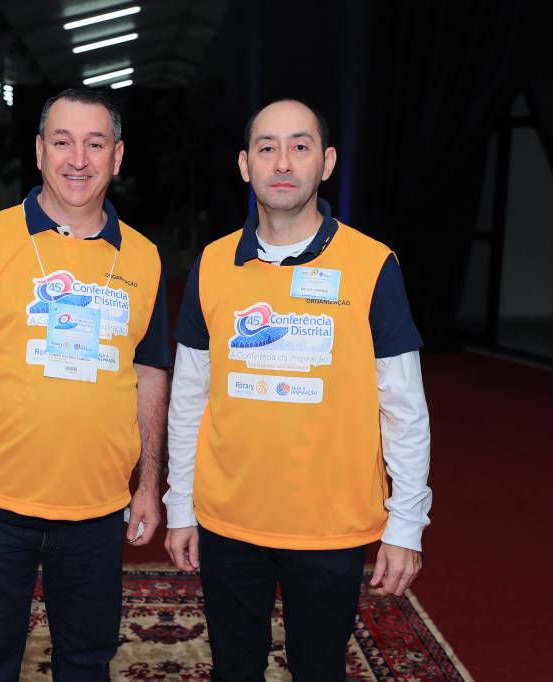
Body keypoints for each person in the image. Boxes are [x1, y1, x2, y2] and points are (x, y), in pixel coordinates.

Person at [0, 87, 171, 681]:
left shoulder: (145, 259)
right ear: (41, 151)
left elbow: (150, 376)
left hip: (97, 507)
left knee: (87, 662)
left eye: (95, 143)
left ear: (118, 156)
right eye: (63, 142)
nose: (79, 159)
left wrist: (149, 484)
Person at [163, 99, 432, 681]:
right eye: (267, 147)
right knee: (234, 670)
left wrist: (406, 522)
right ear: (245, 165)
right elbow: (188, 399)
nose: (282, 162)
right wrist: (180, 504)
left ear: (326, 162)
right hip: (229, 518)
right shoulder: (212, 264)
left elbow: (405, 408)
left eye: (300, 146)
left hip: (330, 524)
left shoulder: (372, 265)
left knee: (319, 670)